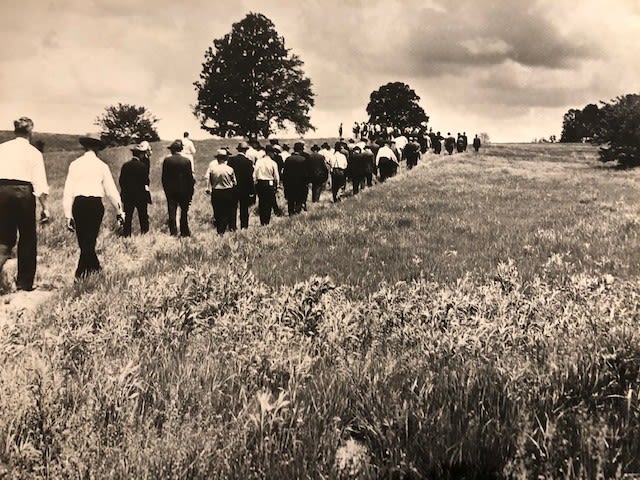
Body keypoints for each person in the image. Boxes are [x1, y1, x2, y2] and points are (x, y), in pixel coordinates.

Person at [63, 133, 123, 279]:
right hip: (95, 204)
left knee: (84, 241)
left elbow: (68, 190)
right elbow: (111, 191)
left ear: (85, 146)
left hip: (79, 204)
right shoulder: (102, 166)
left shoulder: (75, 164)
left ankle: (84, 274)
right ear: (97, 147)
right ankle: (93, 271)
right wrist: (120, 211)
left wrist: (68, 214)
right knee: (90, 240)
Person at [0, 117, 50, 292]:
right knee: (27, 237)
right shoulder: (34, 153)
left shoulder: (2, 149)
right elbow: (40, 183)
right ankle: (24, 283)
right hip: (23, 193)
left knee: (4, 238)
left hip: (2, 192)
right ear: (30, 131)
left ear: (15, 131)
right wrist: (45, 207)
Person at [161, 139, 195, 237]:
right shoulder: (186, 161)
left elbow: (164, 178)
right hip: (184, 191)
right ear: (181, 149)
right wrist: (190, 192)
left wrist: (166, 190)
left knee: (172, 211)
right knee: (184, 212)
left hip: (171, 191)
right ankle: (184, 231)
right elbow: (190, 179)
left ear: (172, 150)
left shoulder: (167, 161)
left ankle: (173, 232)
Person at [119, 142, 151, 236]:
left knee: (128, 215)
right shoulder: (143, 167)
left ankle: (126, 234)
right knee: (143, 215)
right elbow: (146, 181)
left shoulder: (125, 165)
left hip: (128, 195)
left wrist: (125, 190)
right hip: (140, 195)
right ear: (140, 155)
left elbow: (121, 180)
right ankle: (144, 233)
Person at [205, 149, 237, 235]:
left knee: (218, 211)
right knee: (228, 211)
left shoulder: (212, 169)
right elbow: (234, 182)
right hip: (227, 191)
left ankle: (220, 230)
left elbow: (210, 181)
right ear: (226, 158)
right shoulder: (230, 169)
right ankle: (228, 228)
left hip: (216, 192)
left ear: (218, 159)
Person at [229, 141, 256, 230]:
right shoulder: (248, 162)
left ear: (238, 150)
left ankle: (232, 226)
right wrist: (252, 190)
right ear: (246, 150)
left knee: (233, 208)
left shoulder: (231, 160)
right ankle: (244, 226)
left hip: (234, 188)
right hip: (244, 189)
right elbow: (250, 178)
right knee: (244, 208)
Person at [253, 145, 280, 225]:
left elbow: (254, 174)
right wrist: (277, 186)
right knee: (268, 203)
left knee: (261, 202)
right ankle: (266, 221)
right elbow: (276, 176)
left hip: (260, 183)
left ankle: (262, 221)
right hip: (269, 183)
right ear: (270, 153)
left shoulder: (259, 162)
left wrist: (255, 183)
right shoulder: (273, 163)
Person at [282, 142, 309, 215]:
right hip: (300, 184)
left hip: (289, 183)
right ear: (301, 150)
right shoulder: (303, 159)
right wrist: (306, 182)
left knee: (291, 200)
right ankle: (297, 212)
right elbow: (305, 174)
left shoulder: (288, 159)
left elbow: (285, 173)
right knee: (299, 199)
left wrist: (284, 184)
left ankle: (290, 213)